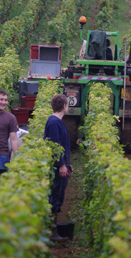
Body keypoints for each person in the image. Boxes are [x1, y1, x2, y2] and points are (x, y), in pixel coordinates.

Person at [43, 94, 73, 241]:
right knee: (55, 197)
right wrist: (61, 165)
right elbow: (55, 146)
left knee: (57, 195)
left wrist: (67, 164)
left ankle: (52, 230)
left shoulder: (56, 121)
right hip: (57, 167)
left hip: (61, 165)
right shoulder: (54, 122)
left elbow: (61, 146)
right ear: (64, 106)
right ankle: (52, 232)